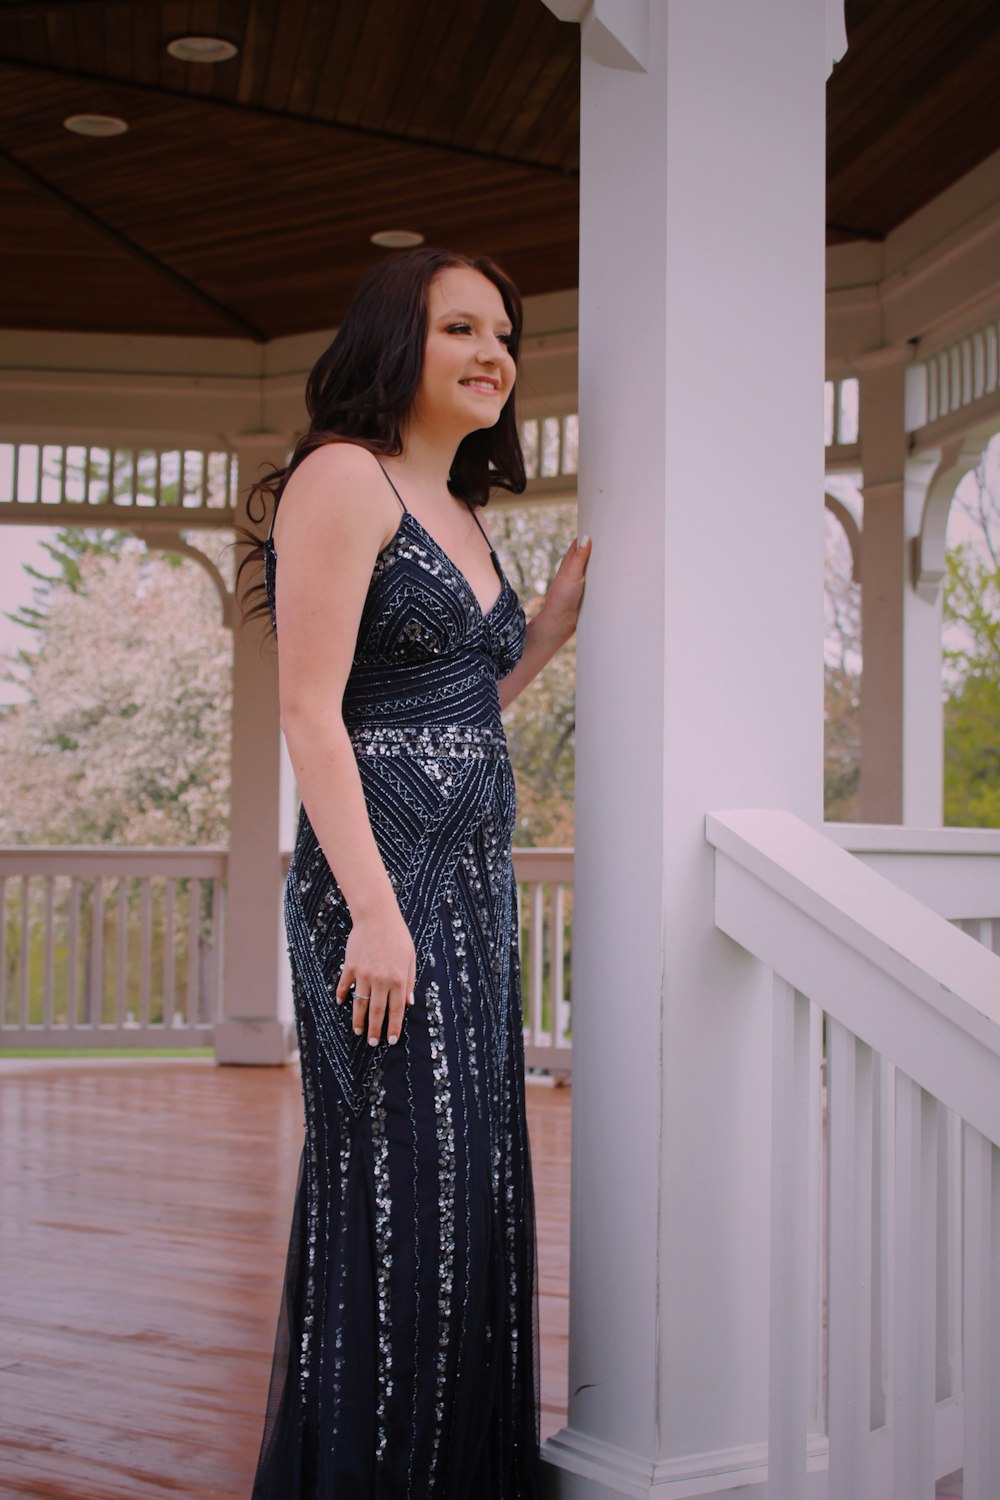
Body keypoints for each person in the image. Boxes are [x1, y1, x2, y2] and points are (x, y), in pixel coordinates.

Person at [239, 246, 590, 1499]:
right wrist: (377, 915)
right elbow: (310, 714)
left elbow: (452, 707)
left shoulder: (462, 513)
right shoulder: (342, 476)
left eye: (503, 332)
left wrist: (539, 641)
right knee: (401, 1200)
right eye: (459, 327)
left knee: (470, 1189)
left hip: (472, 892)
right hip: (373, 901)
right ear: (399, 340)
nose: (492, 352)